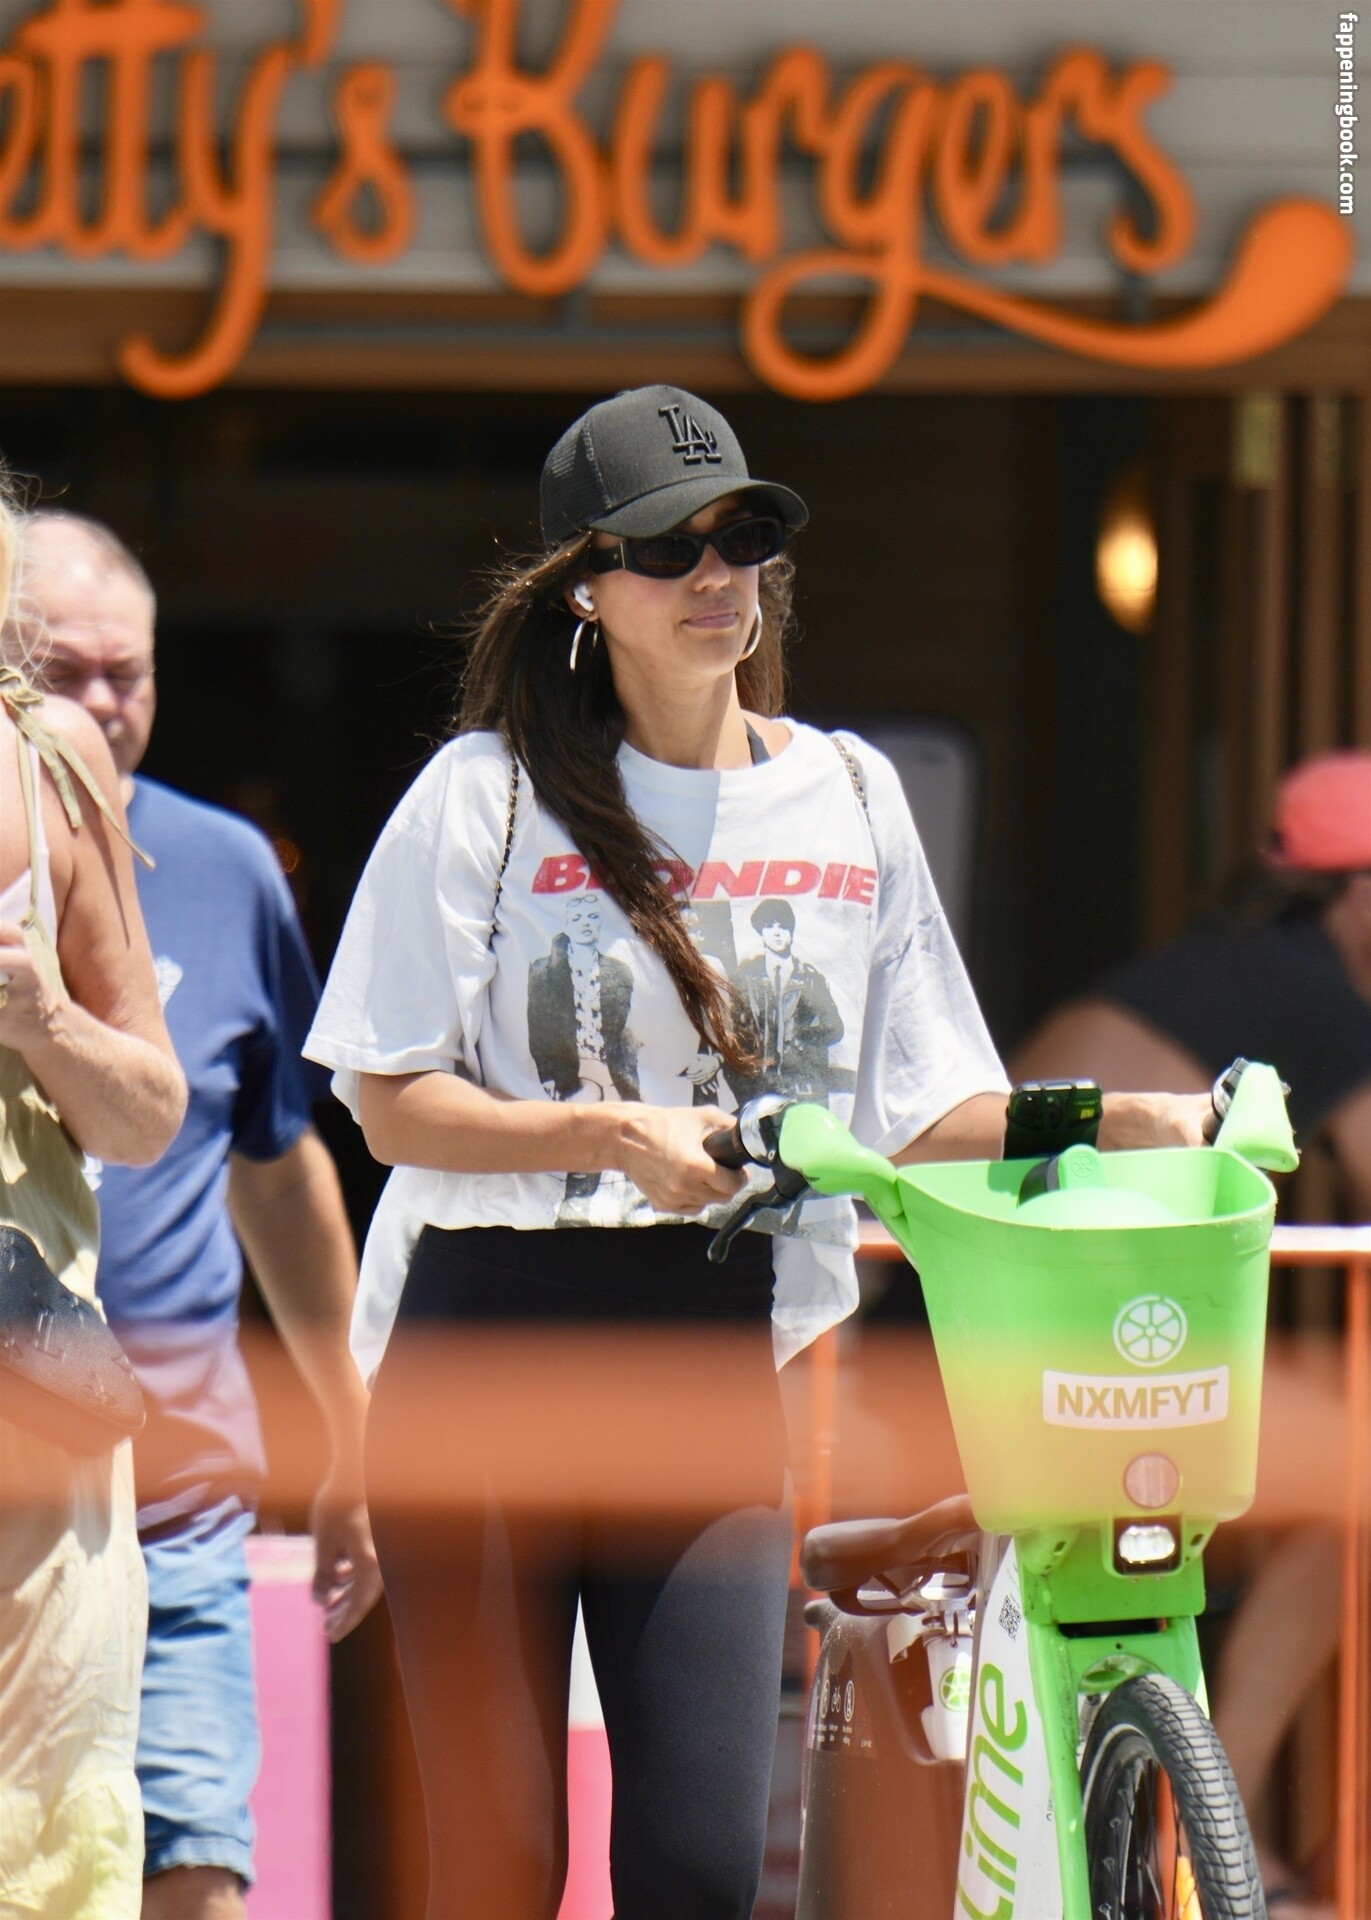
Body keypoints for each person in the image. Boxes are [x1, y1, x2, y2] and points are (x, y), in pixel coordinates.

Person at [305, 384, 1209, 1920]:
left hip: (711, 1337)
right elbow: (388, 1103)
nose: (716, 575)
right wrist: (609, 1133)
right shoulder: (485, 793)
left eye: (743, 537)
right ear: (586, 589)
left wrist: (1121, 1119)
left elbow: (918, 1112)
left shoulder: (846, 793)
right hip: (488, 1334)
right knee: (496, 1861)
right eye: (669, 549)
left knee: (699, 1864)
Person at [11, 511, 382, 1920]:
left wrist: (348, 1432)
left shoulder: (226, 868)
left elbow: (276, 1168)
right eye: (68, 671)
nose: (105, 704)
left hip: (174, 1486)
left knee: (195, 1871)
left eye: (132, 672)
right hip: (21, 1465)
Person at [0, 492, 186, 1918]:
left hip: (27, 1406)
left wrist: (43, 1017)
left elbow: (147, 1107)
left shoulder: (49, 771)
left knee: (48, 1854)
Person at [1012, 750, 1371, 1218]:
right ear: (1363, 896)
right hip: (1055, 1247)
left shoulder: (1227, 960)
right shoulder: (1324, 1001)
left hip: (968, 1235)